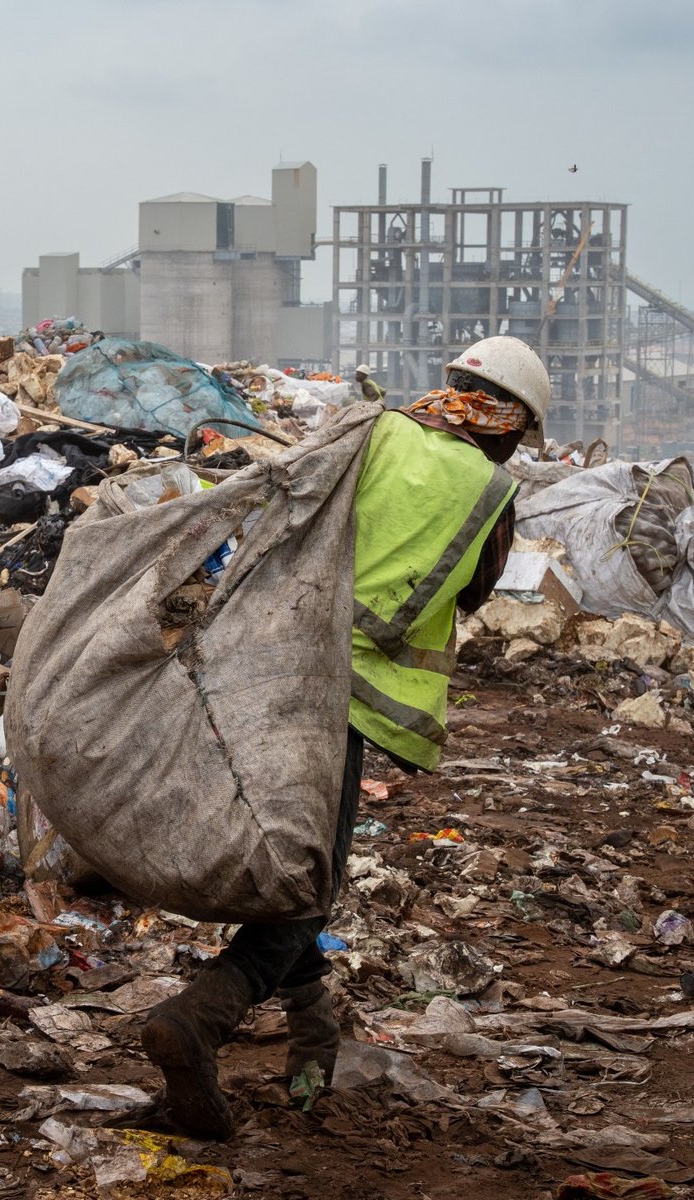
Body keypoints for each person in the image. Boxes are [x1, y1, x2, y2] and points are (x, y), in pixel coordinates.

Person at [142, 335, 548, 1139]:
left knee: (300, 866)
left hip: (261, 670)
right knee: (308, 887)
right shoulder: (489, 491)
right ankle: (199, 1018)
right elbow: (472, 595)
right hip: (350, 706)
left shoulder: (375, 430)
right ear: (507, 423)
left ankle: (314, 1031)